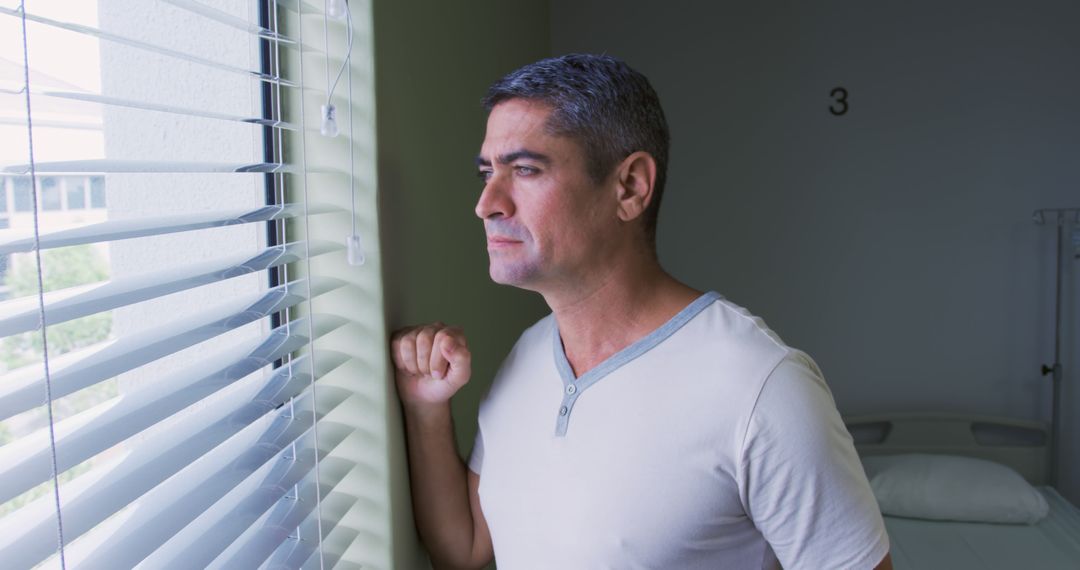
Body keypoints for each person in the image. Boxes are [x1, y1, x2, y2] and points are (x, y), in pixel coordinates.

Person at [391, 54, 892, 569]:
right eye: (486, 173)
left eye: (524, 170)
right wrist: (426, 410)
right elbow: (468, 549)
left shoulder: (761, 387)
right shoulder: (528, 358)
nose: (487, 203)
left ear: (629, 187)